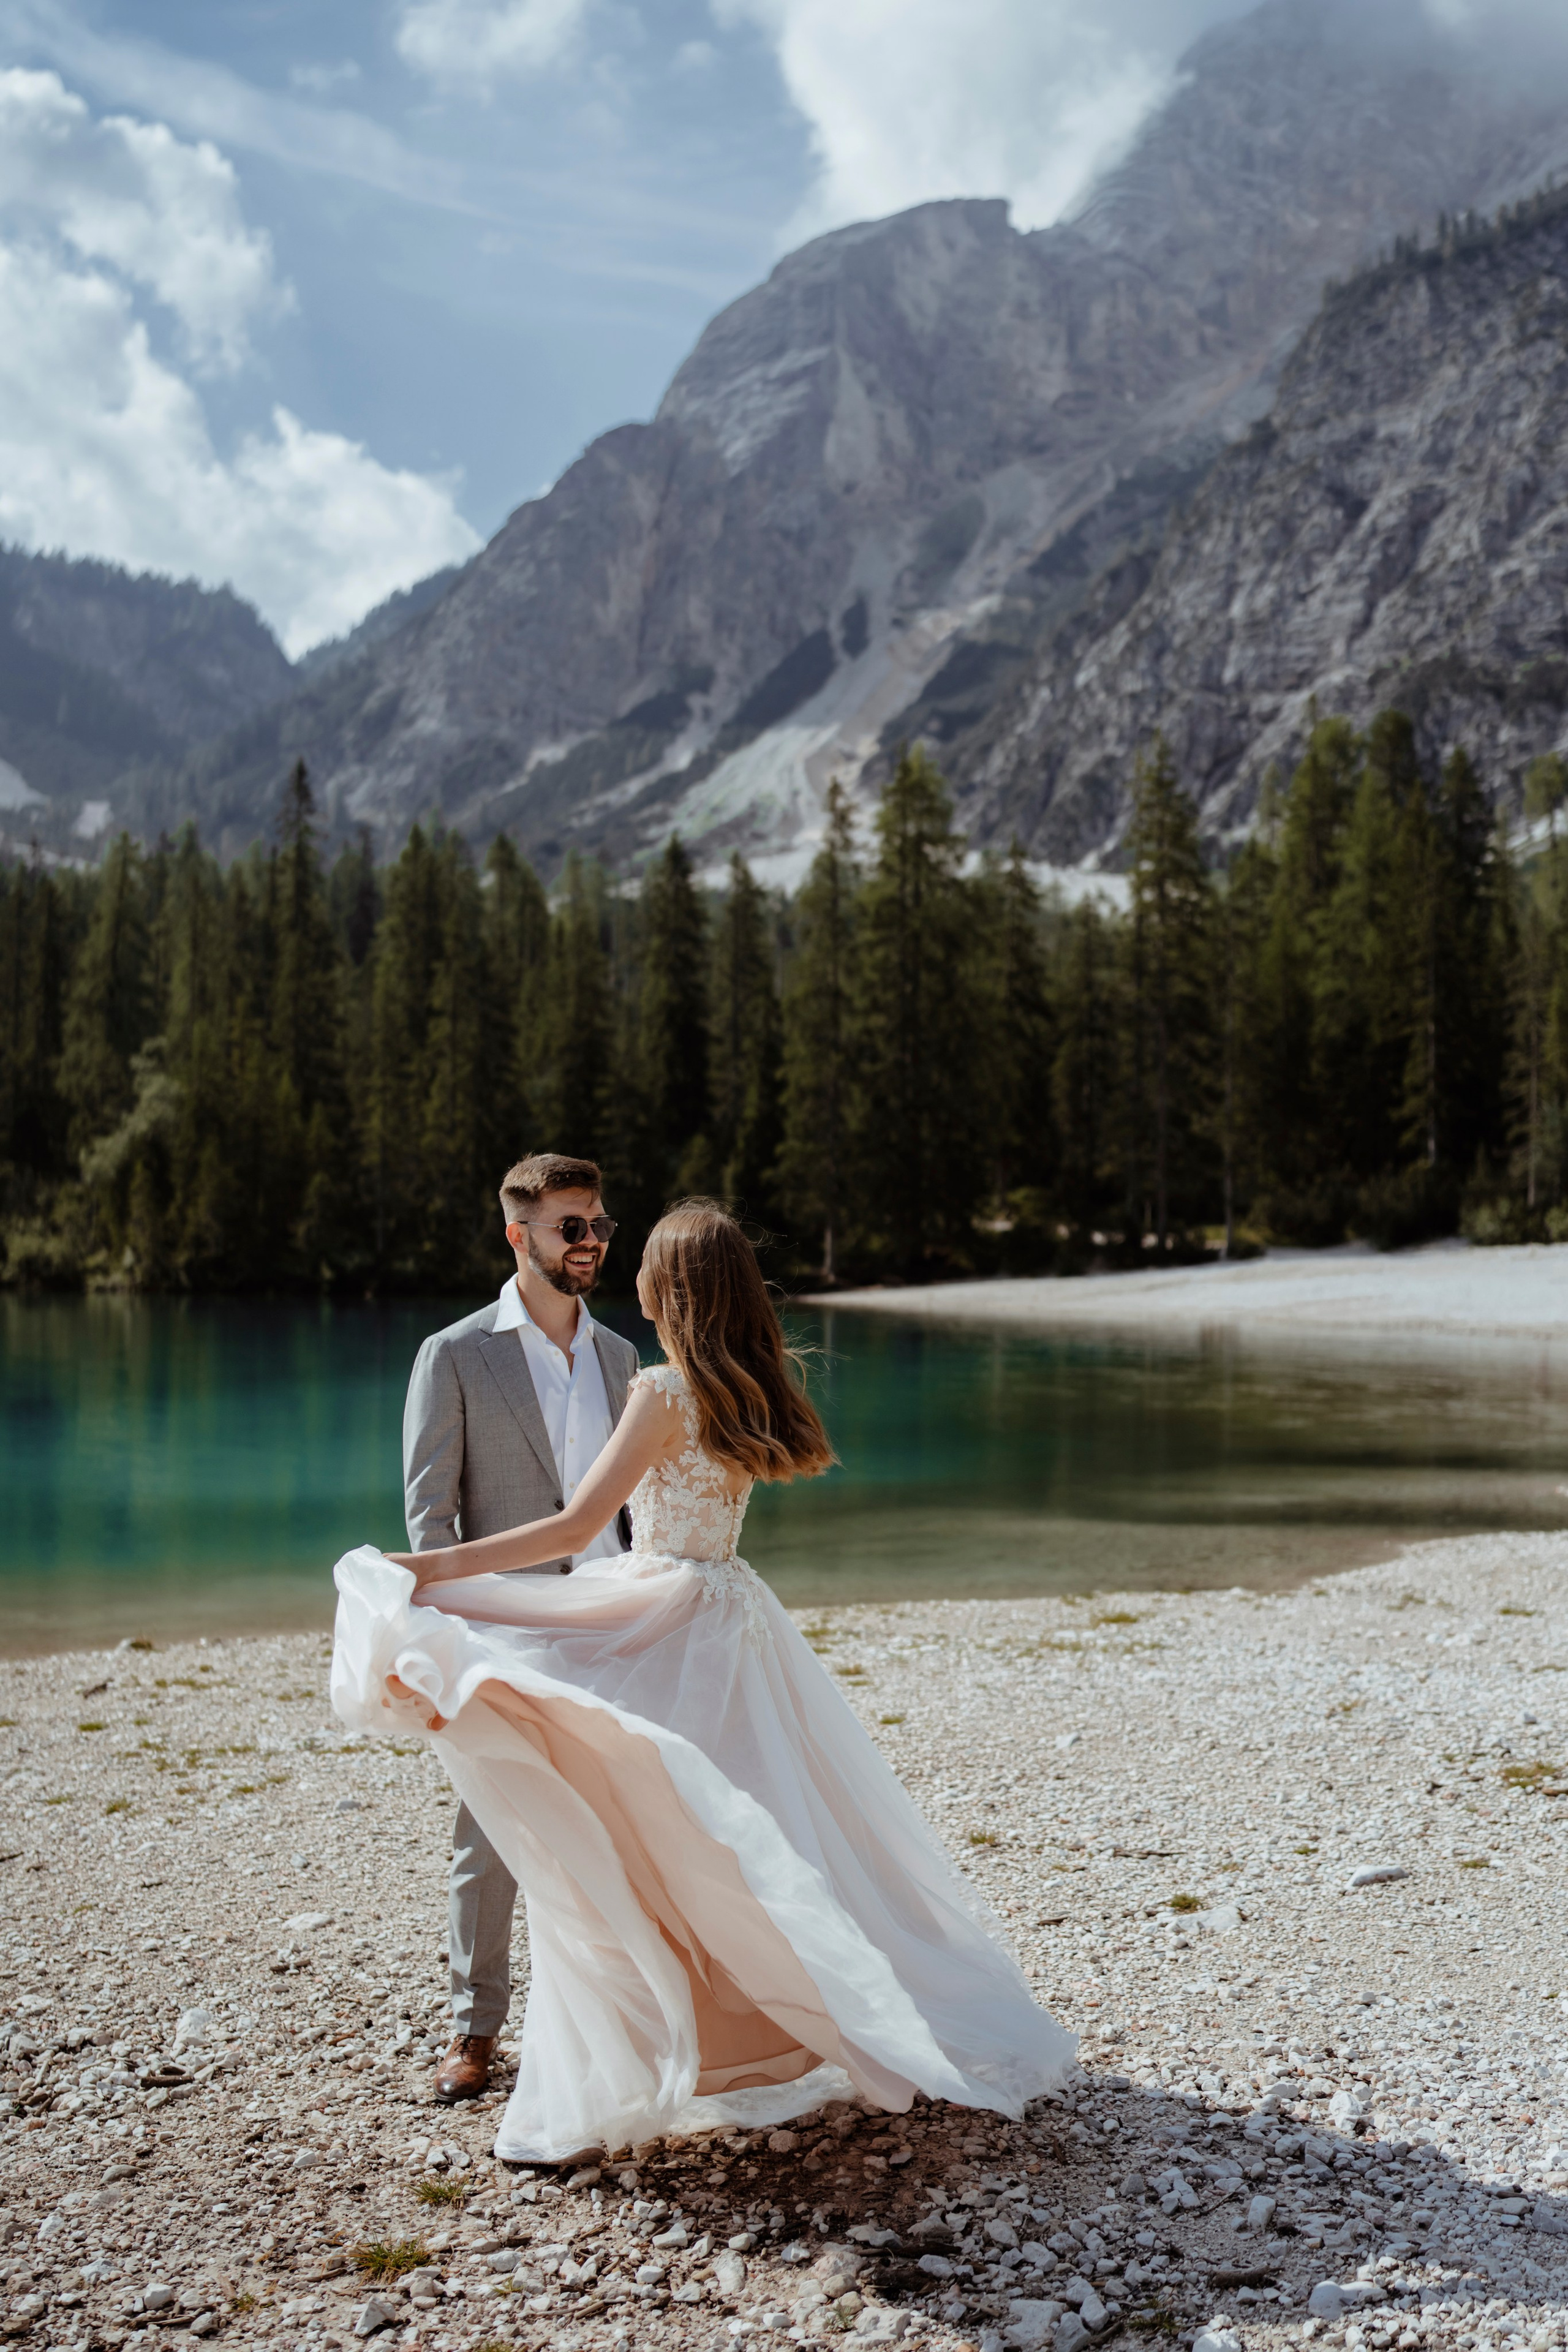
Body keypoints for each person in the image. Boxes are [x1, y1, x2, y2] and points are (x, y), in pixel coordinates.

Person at [332, 1199, 1074, 2160]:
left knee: (626, 1832)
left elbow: (567, 1535)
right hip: (733, 1614)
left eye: (643, 1259)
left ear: (670, 1286)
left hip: (663, 1615)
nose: (624, 1267)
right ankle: (785, 2021)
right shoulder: (743, 1388)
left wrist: (423, 1570)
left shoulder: (660, 1391)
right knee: (751, 1832)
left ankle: (637, 2058)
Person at [399, 1152, 640, 2103]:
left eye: (600, 1225)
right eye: (570, 1227)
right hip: (503, 1628)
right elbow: (430, 1518)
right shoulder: (454, 1353)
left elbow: (629, 1512)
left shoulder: (624, 1358)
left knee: (622, 1821)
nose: (590, 1243)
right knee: (488, 1830)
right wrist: (449, 1639)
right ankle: (474, 2030)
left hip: (615, 1626)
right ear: (519, 1234)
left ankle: (617, 2020)